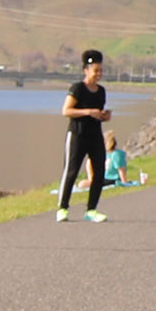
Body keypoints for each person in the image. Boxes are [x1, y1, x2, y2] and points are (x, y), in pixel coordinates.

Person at [55, 50, 112, 221]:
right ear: (86, 70)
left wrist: (104, 116)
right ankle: (63, 208)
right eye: (96, 70)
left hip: (95, 135)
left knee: (99, 172)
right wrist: (88, 112)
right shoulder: (77, 88)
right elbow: (66, 111)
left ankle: (91, 210)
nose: (99, 74)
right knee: (71, 171)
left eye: (101, 70)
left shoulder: (101, 91)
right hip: (77, 134)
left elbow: (98, 113)